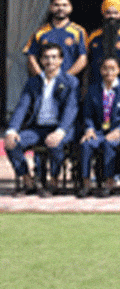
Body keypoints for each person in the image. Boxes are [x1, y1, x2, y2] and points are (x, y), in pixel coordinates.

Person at [6, 43, 79, 197]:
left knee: (55, 143)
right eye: (46, 57)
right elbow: (22, 107)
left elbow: (71, 109)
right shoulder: (33, 82)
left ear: (61, 60)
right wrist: (12, 130)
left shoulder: (71, 82)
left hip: (61, 128)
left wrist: (60, 131)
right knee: (12, 144)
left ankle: (53, 181)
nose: (50, 61)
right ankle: (28, 180)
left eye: (54, 57)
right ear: (40, 60)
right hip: (38, 128)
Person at [77, 56, 120, 198]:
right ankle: (86, 183)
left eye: (112, 69)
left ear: (119, 70)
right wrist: (90, 129)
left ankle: (109, 183)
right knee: (86, 144)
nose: (108, 72)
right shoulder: (93, 89)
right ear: (100, 70)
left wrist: (119, 130)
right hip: (98, 131)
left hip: (119, 132)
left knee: (109, 143)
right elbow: (87, 114)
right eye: (105, 68)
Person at [24, 0, 88, 80]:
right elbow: (31, 57)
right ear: (50, 7)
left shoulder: (79, 31)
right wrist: (42, 78)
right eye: (56, 5)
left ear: (71, 7)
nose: (60, 8)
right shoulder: (40, 31)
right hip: (43, 84)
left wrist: (64, 78)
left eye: (65, 5)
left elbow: (83, 59)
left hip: (68, 83)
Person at [85, 0, 120, 85]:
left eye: (115, 13)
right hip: (96, 83)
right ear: (103, 14)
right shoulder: (94, 35)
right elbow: (88, 61)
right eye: (108, 13)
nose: (112, 16)